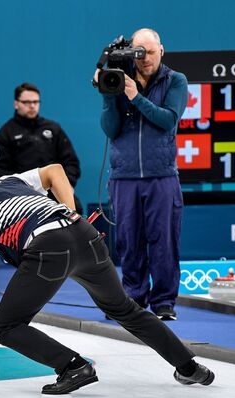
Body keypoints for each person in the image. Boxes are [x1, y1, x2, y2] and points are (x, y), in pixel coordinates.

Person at [0, 164, 214, 394]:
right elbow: (54, 171)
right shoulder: (8, 181)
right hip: (85, 236)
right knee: (124, 309)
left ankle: (73, 366)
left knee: (6, 327)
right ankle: (188, 366)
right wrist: (70, 212)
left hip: (48, 247)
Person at [97, 28, 187, 321]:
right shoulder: (120, 80)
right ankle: (133, 299)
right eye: (139, 52)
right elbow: (111, 130)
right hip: (124, 177)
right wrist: (110, 96)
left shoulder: (175, 81)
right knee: (128, 241)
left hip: (161, 176)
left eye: (150, 51)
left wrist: (135, 97)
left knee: (164, 241)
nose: (145, 58)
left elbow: (167, 120)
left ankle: (163, 302)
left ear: (162, 50)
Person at [0, 82, 83, 214]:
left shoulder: (53, 129)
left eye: (36, 102)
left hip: (55, 193)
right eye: (26, 102)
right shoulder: (4, 135)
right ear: (16, 104)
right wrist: (26, 189)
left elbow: (71, 163)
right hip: (22, 198)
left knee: (76, 212)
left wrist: (66, 185)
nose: (32, 106)